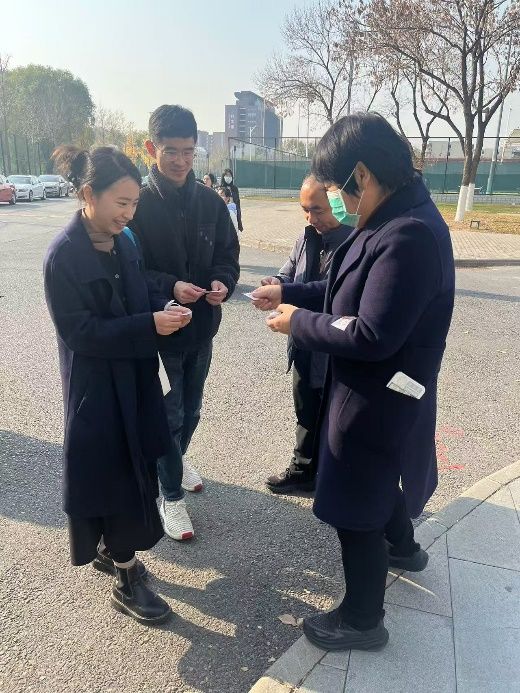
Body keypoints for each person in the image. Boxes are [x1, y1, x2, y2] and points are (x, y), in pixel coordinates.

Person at [252, 113, 455, 651]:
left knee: (356, 504)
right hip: (375, 390)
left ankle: (362, 619)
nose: (336, 202)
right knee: (377, 481)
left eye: (336, 188)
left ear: (361, 175)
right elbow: (347, 291)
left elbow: (371, 333)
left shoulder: (408, 234)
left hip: (378, 396)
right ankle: (404, 548)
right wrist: (290, 294)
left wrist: (299, 323)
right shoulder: (391, 214)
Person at [44, 145, 192, 625]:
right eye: (120, 203)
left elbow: (137, 292)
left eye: (134, 204)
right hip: (98, 392)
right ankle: (127, 579)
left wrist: (163, 306)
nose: (128, 214)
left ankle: (115, 551)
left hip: (136, 379)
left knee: (139, 469)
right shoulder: (63, 257)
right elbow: (80, 333)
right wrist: (148, 325)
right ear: (89, 194)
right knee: (114, 481)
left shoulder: (124, 242)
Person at [129, 105, 240, 542]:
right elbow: (131, 271)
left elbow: (228, 255)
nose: (180, 161)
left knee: (191, 410)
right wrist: (170, 287)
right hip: (162, 332)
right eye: (171, 151)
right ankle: (169, 495)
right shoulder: (138, 205)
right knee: (169, 414)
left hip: (202, 329)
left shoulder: (210, 202)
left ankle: (175, 460)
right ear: (151, 148)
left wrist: (223, 282)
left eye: (188, 152)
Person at [260, 175, 352, 494]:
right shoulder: (307, 236)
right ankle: (303, 470)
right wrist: (275, 282)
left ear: (337, 204)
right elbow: (289, 271)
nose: (311, 218)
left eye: (318, 209)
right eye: (305, 209)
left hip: (334, 346)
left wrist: (286, 292)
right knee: (305, 410)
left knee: (335, 417)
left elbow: (330, 289)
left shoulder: (354, 242)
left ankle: (332, 477)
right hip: (301, 341)